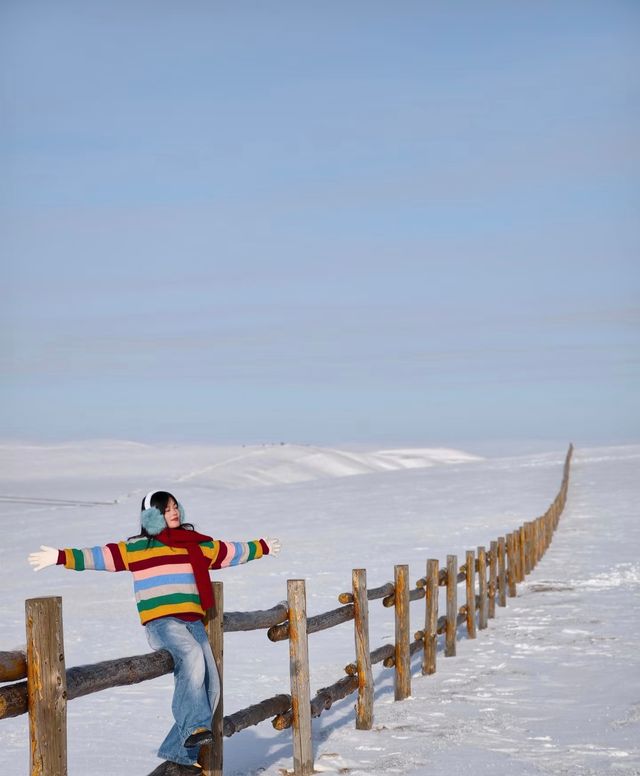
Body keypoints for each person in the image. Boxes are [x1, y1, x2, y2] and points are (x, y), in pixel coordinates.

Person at [28, 490, 281, 776]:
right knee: (191, 656)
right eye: (164, 509)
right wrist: (61, 556)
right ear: (151, 516)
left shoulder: (195, 544)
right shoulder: (138, 547)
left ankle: (180, 751)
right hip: (163, 623)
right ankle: (195, 729)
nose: (173, 512)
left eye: (175, 507)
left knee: (212, 687)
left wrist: (261, 546)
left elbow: (229, 551)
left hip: (193, 623)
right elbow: (99, 556)